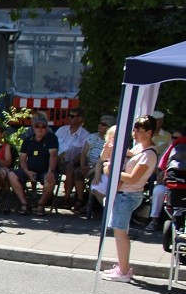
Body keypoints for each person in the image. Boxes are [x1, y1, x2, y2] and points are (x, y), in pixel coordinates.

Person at [102, 115, 159, 282]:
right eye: (134, 130)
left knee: (120, 232)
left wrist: (113, 170)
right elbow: (126, 154)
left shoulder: (149, 154)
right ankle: (122, 267)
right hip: (125, 193)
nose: (134, 133)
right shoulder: (140, 148)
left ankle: (124, 271)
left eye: (138, 130)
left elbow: (134, 178)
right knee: (120, 231)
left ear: (148, 132)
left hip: (129, 194)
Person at [7, 116, 58, 215]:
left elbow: (53, 155)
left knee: (50, 179)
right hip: (29, 171)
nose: (40, 129)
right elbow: (22, 159)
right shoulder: (27, 140)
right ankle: (24, 204)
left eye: (43, 126)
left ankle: (41, 204)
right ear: (33, 127)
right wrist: (27, 171)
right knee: (11, 175)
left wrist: (50, 171)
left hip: (45, 171)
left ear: (47, 128)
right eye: (37, 126)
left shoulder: (51, 138)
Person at [146, 127, 186, 232]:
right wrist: (160, 174)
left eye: (176, 138)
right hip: (170, 182)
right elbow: (158, 167)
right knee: (158, 191)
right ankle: (154, 220)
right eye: (173, 137)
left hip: (180, 184)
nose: (174, 139)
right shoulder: (168, 149)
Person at [55, 107, 90, 211]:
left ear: (80, 119)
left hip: (73, 162)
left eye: (73, 116)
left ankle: (66, 199)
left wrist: (73, 160)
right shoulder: (61, 130)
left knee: (70, 170)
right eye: (69, 115)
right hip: (57, 160)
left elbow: (83, 152)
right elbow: (54, 145)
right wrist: (57, 157)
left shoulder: (85, 134)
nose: (70, 118)